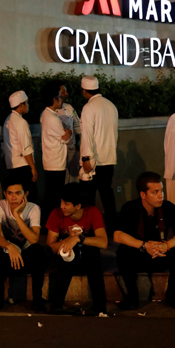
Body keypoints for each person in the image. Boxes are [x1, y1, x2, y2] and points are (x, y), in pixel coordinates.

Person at [113, 171, 175, 310]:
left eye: (161, 191)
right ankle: (132, 297)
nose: (161, 196)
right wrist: (144, 246)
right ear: (143, 194)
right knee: (123, 252)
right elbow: (117, 235)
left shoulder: (168, 207)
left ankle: (174, 294)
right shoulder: (130, 207)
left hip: (161, 252)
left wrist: (167, 245)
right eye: (155, 192)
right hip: (140, 254)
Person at [46, 183, 107, 315]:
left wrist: (79, 238)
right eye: (61, 202)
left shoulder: (93, 212)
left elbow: (103, 242)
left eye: (66, 204)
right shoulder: (56, 214)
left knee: (94, 254)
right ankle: (56, 305)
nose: (62, 206)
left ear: (78, 206)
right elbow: (51, 247)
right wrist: (69, 240)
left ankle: (100, 306)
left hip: (86, 256)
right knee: (66, 258)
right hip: (66, 257)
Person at [0, 177, 47, 311]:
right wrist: (9, 247)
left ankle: (37, 298)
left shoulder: (33, 208)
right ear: (5, 194)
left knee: (38, 251)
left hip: (24, 252)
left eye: (18, 193)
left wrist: (16, 215)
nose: (13, 197)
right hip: (6, 251)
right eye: (10, 193)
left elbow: (33, 239)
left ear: (25, 194)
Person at [79, 75, 119, 231]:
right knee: (107, 195)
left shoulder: (89, 108)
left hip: (94, 160)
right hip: (109, 158)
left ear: (84, 91)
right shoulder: (111, 105)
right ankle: (112, 227)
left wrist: (86, 158)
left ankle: (90, 228)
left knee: (88, 196)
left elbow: (87, 134)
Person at [40, 82, 72, 222]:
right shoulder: (52, 118)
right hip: (55, 162)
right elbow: (65, 138)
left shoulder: (48, 115)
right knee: (54, 196)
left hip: (52, 161)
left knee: (51, 194)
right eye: (59, 97)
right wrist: (69, 132)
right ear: (54, 99)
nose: (61, 100)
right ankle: (51, 223)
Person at [1, 90, 37, 200]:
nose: (28, 105)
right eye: (26, 103)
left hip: (11, 166)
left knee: (16, 199)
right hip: (23, 166)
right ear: (21, 104)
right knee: (29, 198)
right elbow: (26, 148)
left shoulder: (8, 120)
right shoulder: (21, 122)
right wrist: (33, 167)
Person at [55, 83, 81, 184]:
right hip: (58, 151)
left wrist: (78, 142)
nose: (66, 93)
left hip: (72, 149)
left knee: (73, 177)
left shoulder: (69, 108)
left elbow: (77, 125)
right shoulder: (49, 112)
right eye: (63, 92)